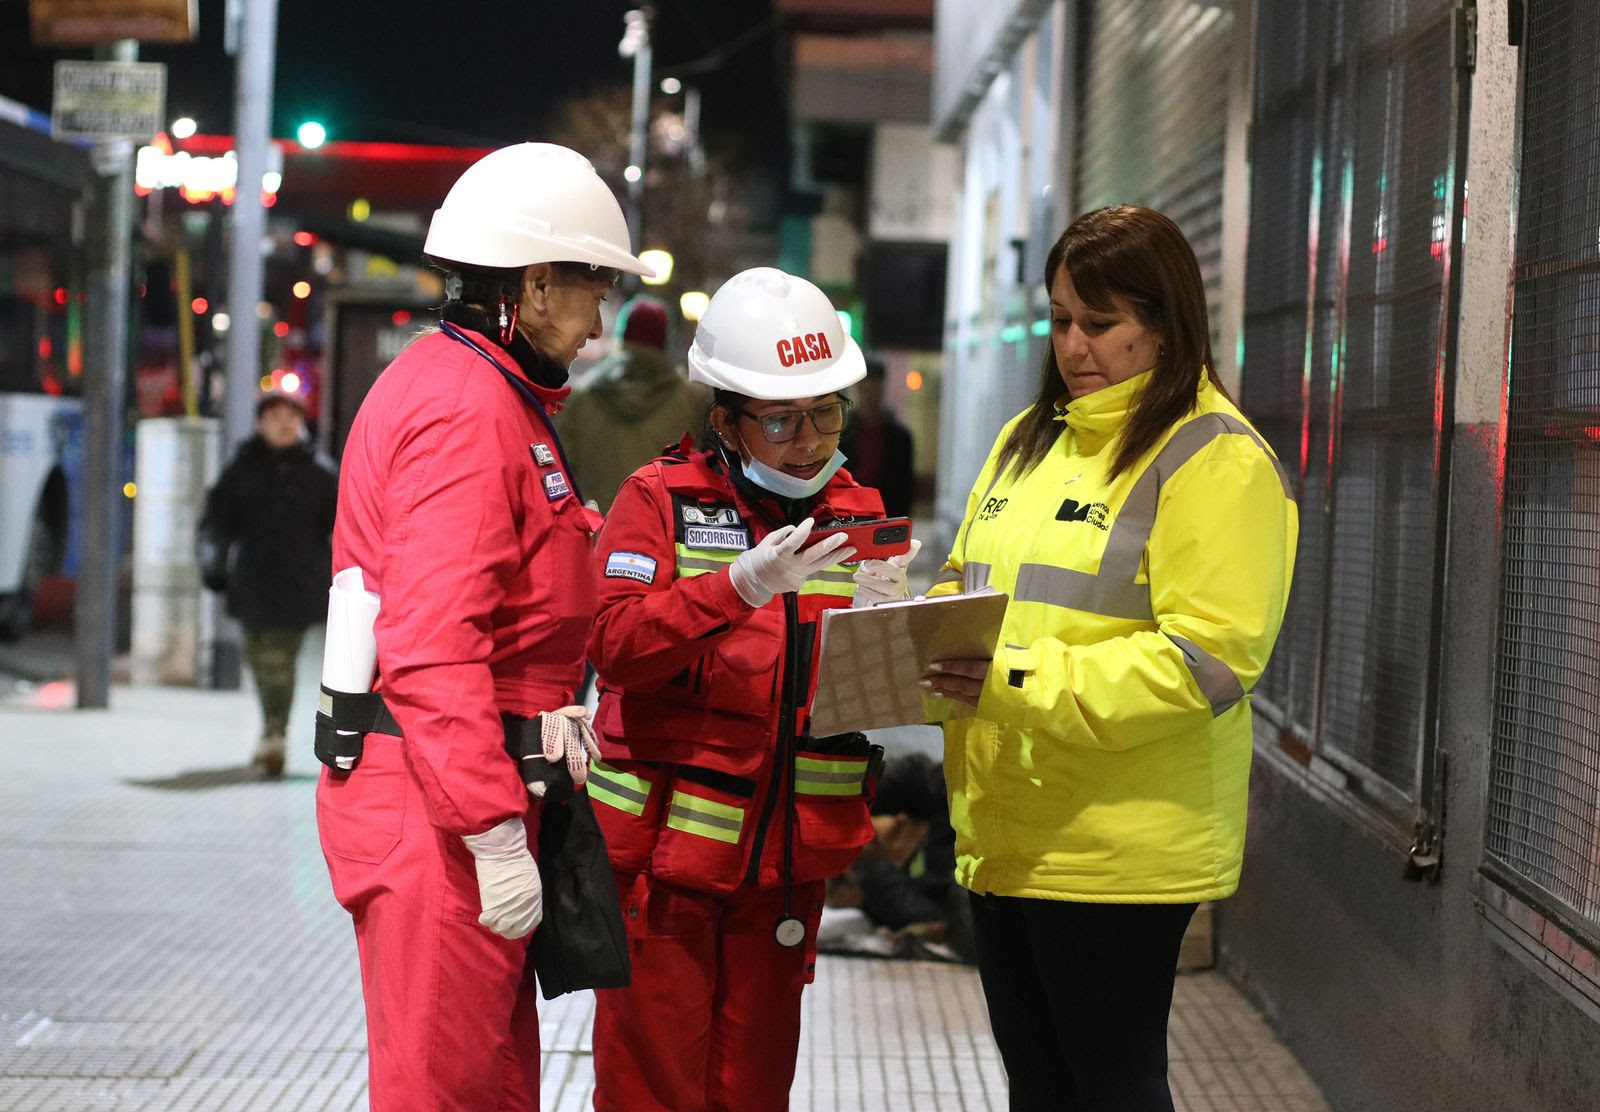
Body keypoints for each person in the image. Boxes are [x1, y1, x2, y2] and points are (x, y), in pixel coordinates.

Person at [921, 205, 1298, 1112]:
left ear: (1163, 325)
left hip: (1121, 841)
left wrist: (1006, 678)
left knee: (1112, 1083)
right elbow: (962, 580)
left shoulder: (1215, 460)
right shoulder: (1030, 440)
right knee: (1040, 1084)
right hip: (1009, 826)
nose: (1074, 345)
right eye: (1060, 319)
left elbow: (1206, 662)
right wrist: (917, 636)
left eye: (1101, 323)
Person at [315, 143, 652, 1111]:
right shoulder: (468, 408)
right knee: (447, 1088)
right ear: (537, 286)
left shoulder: (493, 393)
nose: (598, 327)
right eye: (595, 292)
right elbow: (431, 642)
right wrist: (492, 828)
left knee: (491, 1083)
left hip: (463, 796)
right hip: (441, 810)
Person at [584, 266, 907, 1112]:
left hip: (788, 873)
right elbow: (613, 644)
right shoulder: (656, 501)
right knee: (652, 1091)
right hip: (666, 874)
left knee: (753, 1090)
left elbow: (869, 696)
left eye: (825, 413)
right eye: (781, 420)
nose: (808, 440)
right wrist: (737, 588)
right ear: (725, 420)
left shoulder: (858, 518)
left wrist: (919, 651)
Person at [199, 392, 337, 777]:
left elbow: (342, 526)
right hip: (252, 582)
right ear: (260, 424)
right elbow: (217, 520)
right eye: (275, 416)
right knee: (259, 659)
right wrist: (214, 560)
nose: (284, 423)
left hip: (299, 583)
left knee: (280, 660)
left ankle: (274, 733)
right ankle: (270, 728)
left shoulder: (320, 473)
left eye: (291, 416)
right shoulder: (241, 469)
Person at [555, 294, 710, 511]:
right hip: (663, 535)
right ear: (665, 341)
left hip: (596, 534)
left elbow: (561, 473)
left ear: (621, 337)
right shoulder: (695, 402)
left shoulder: (582, 396)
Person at [838, 353, 915, 517]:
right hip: (848, 511)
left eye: (874, 388)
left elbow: (905, 488)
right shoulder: (841, 434)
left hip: (886, 512)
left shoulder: (900, 437)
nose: (869, 395)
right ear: (858, 388)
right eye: (864, 387)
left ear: (882, 388)